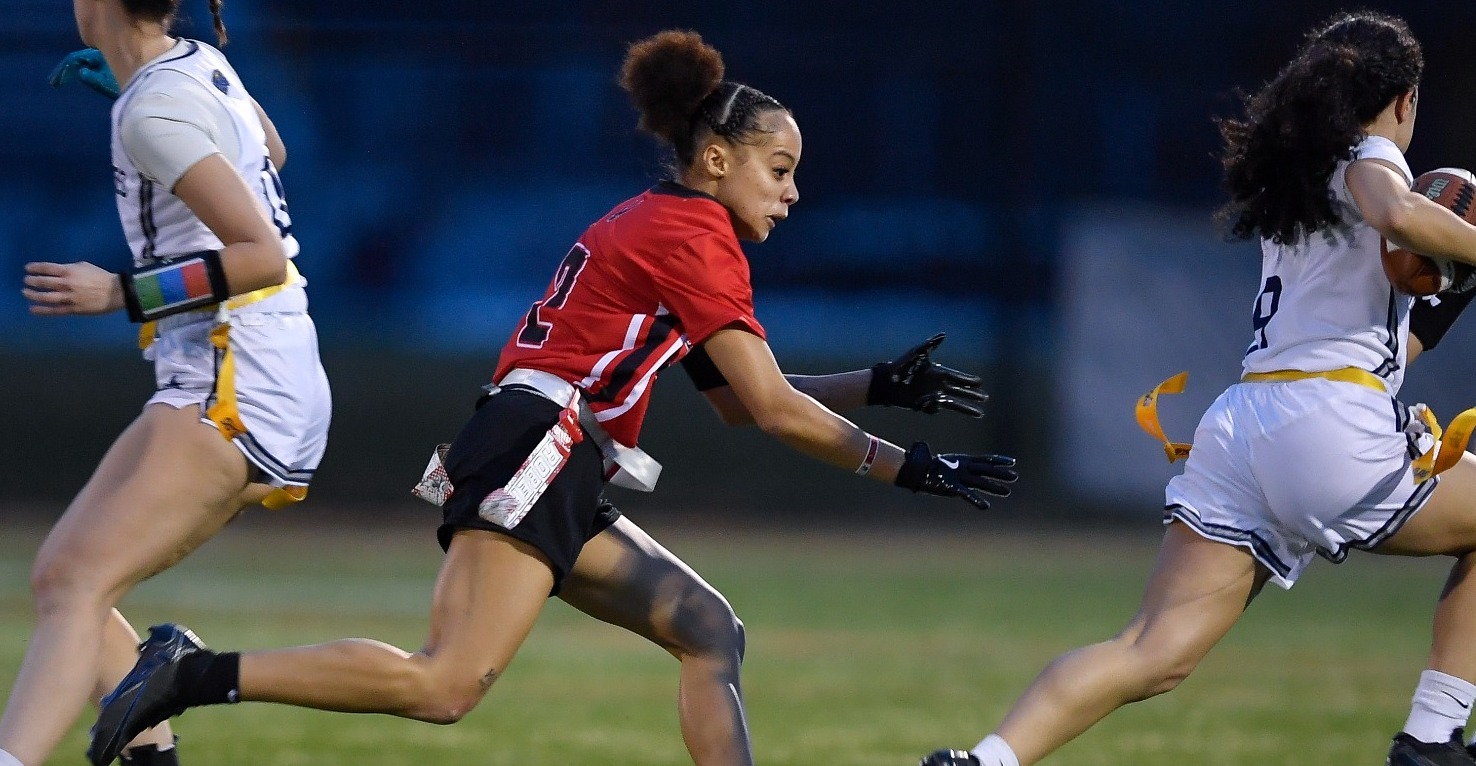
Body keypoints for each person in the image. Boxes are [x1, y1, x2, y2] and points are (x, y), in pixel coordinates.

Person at [84, 28, 1018, 766]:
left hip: (544, 443)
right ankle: (188, 672)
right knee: (444, 685)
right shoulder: (695, 238)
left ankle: (185, 673)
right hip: (542, 444)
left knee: (708, 632)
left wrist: (876, 387)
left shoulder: (668, 225)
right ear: (719, 160)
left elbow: (737, 397)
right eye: (780, 169)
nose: (794, 192)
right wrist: (912, 468)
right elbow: (771, 408)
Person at [919, 10, 1476, 766]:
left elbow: (1363, 342)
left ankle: (983, 761)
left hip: (1245, 428)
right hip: (1326, 428)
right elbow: (1399, 212)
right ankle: (1434, 737)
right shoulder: (1373, 155)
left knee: (1150, 651)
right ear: (1405, 99)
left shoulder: (1303, 179)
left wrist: (1440, 306)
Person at [2, 1, 330, 765]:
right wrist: (144, 103)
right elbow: (268, 152)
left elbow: (260, 256)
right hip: (244, 360)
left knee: (77, 583)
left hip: (238, 373)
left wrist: (117, 292)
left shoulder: (154, 103)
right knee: (64, 576)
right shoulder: (191, 64)